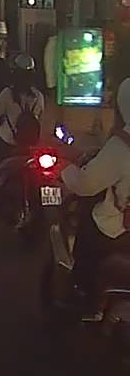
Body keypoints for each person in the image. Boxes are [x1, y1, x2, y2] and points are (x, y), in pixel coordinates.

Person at [59, 78, 130, 315]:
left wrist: (65, 171)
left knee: (89, 231)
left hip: (118, 230)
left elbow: (86, 185)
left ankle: (83, 297)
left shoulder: (122, 146)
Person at [0, 54, 44, 204]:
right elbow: (40, 119)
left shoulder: (7, 94)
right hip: (30, 147)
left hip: (5, 143)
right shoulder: (38, 97)